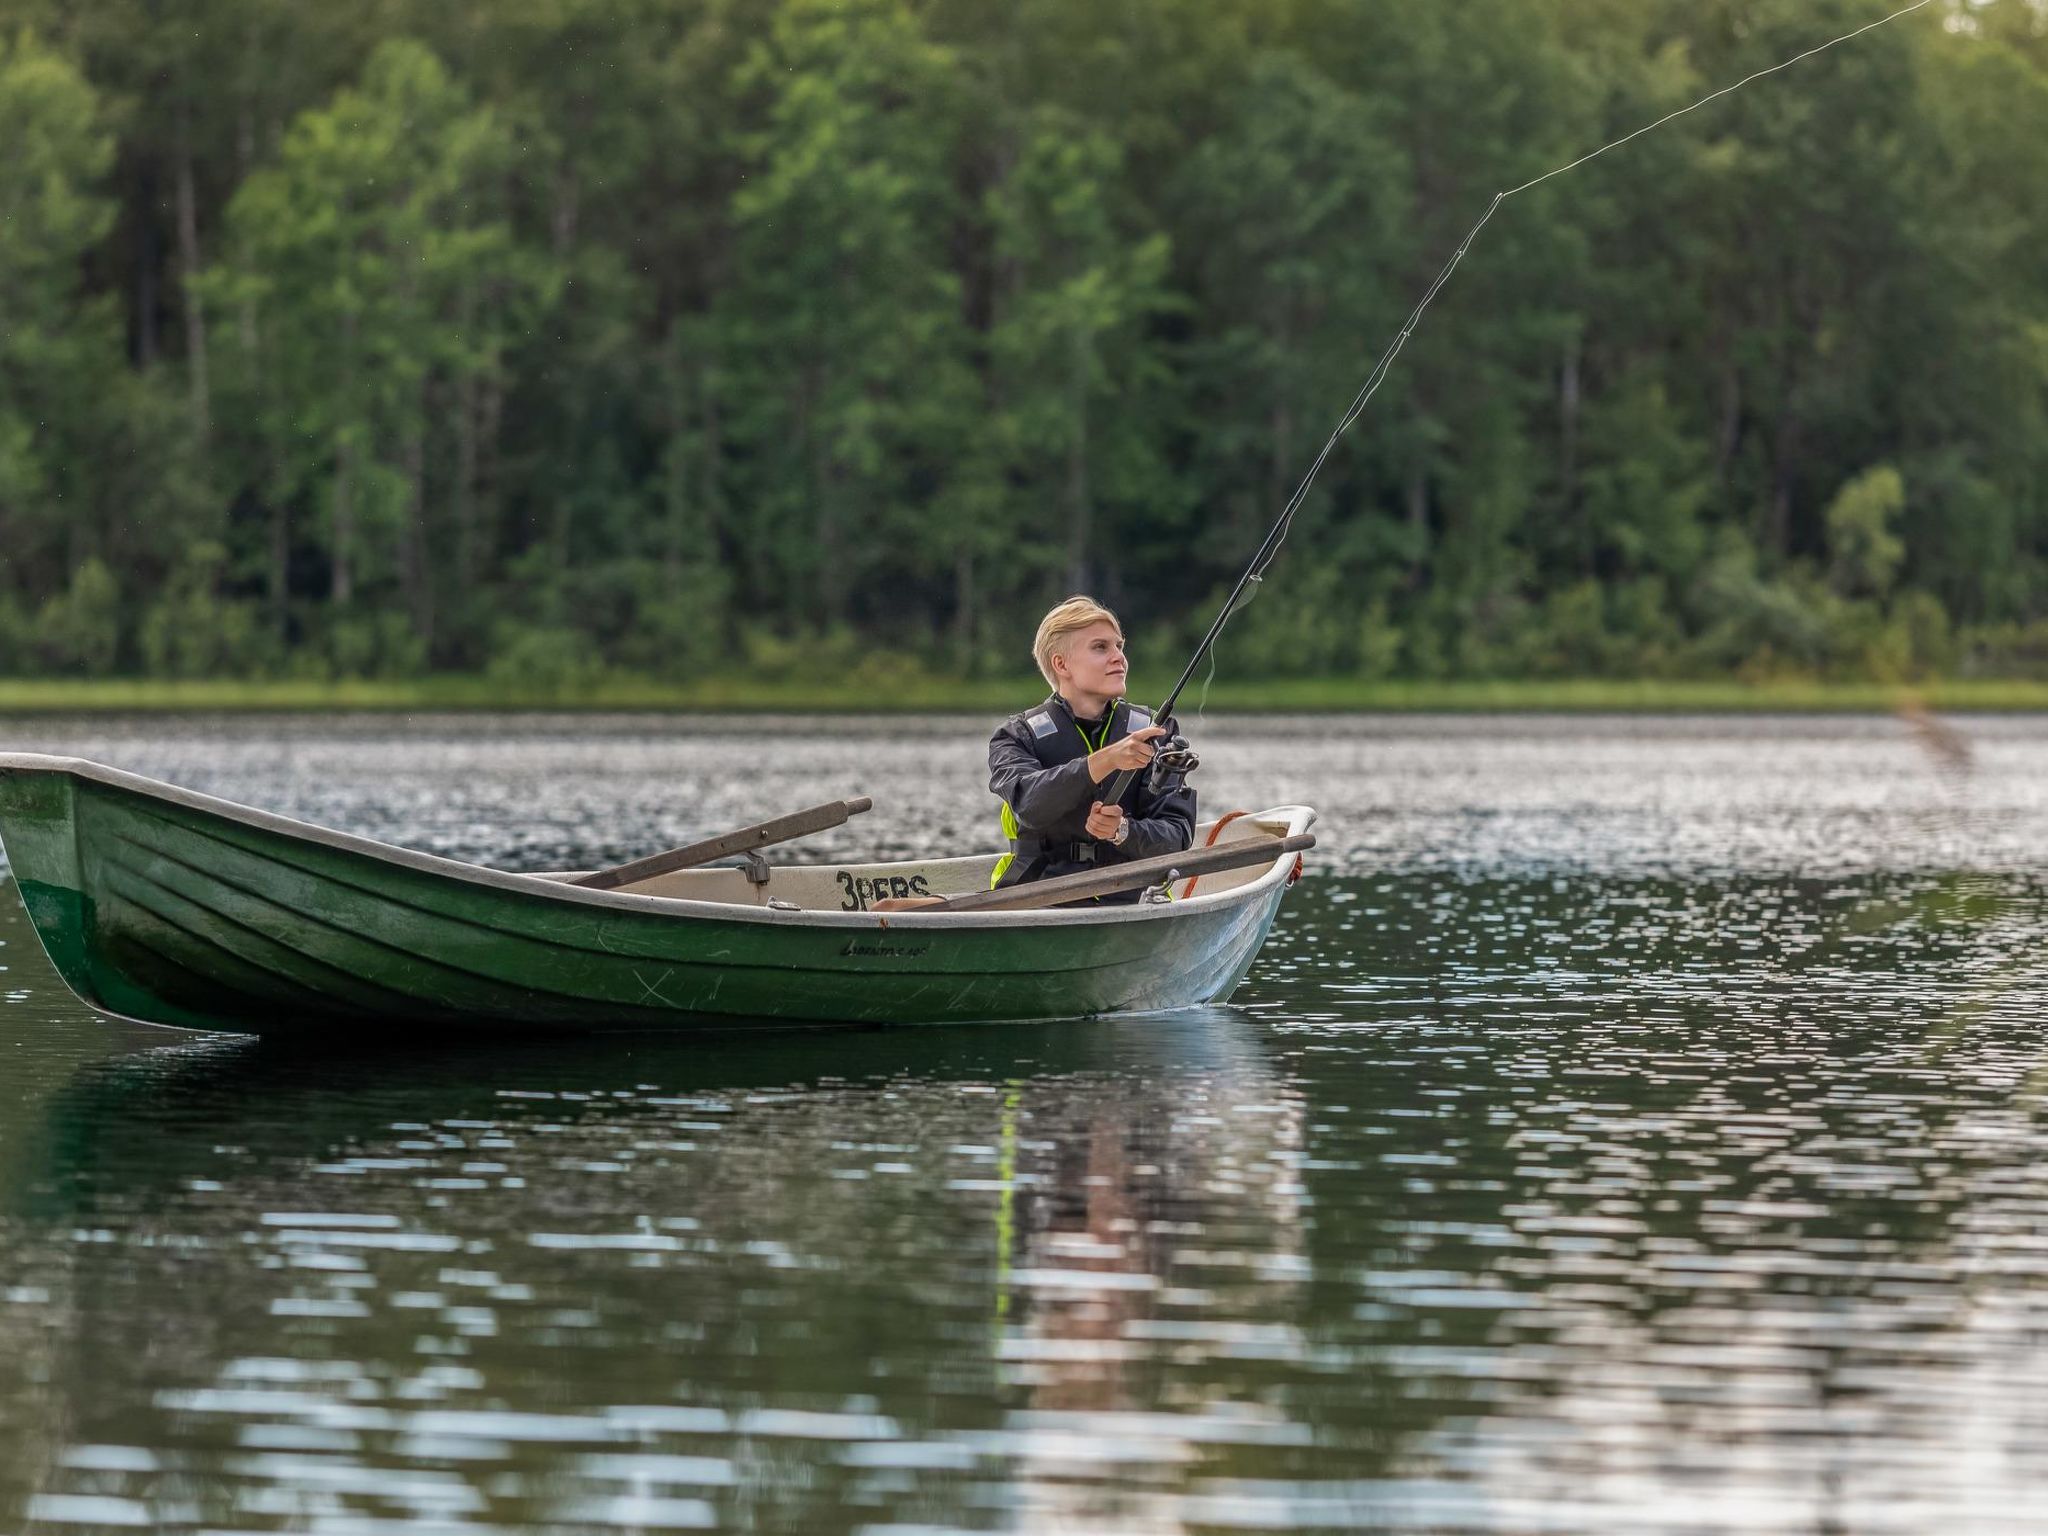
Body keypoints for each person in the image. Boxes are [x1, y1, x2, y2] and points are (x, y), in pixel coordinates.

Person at [988, 596, 1195, 901]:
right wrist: (1107, 759)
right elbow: (1030, 804)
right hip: (1037, 901)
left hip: (1131, 900)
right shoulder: (1016, 736)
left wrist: (1123, 831)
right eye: (1100, 647)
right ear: (1062, 664)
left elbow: (1177, 835)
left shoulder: (1155, 732)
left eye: (1119, 646)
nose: (1119, 658)